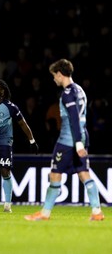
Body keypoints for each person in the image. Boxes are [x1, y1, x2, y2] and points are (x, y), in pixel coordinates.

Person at [25, 59, 104, 221]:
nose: (54, 79)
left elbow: (74, 118)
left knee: (55, 175)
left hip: (68, 140)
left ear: (60, 74)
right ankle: (97, 211)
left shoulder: (67, 94)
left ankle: (45, 213)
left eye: (54, 75)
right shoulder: (80, 90)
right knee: (84, 174)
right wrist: (81, 141)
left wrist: (78, 144)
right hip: (82, 135)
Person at [0, 79, 39, 213]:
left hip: (4, 144)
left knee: (5, 171)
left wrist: (32, 141)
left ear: (2, 91)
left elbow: (23, 124)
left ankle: (7, 204)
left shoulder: (11, 107)